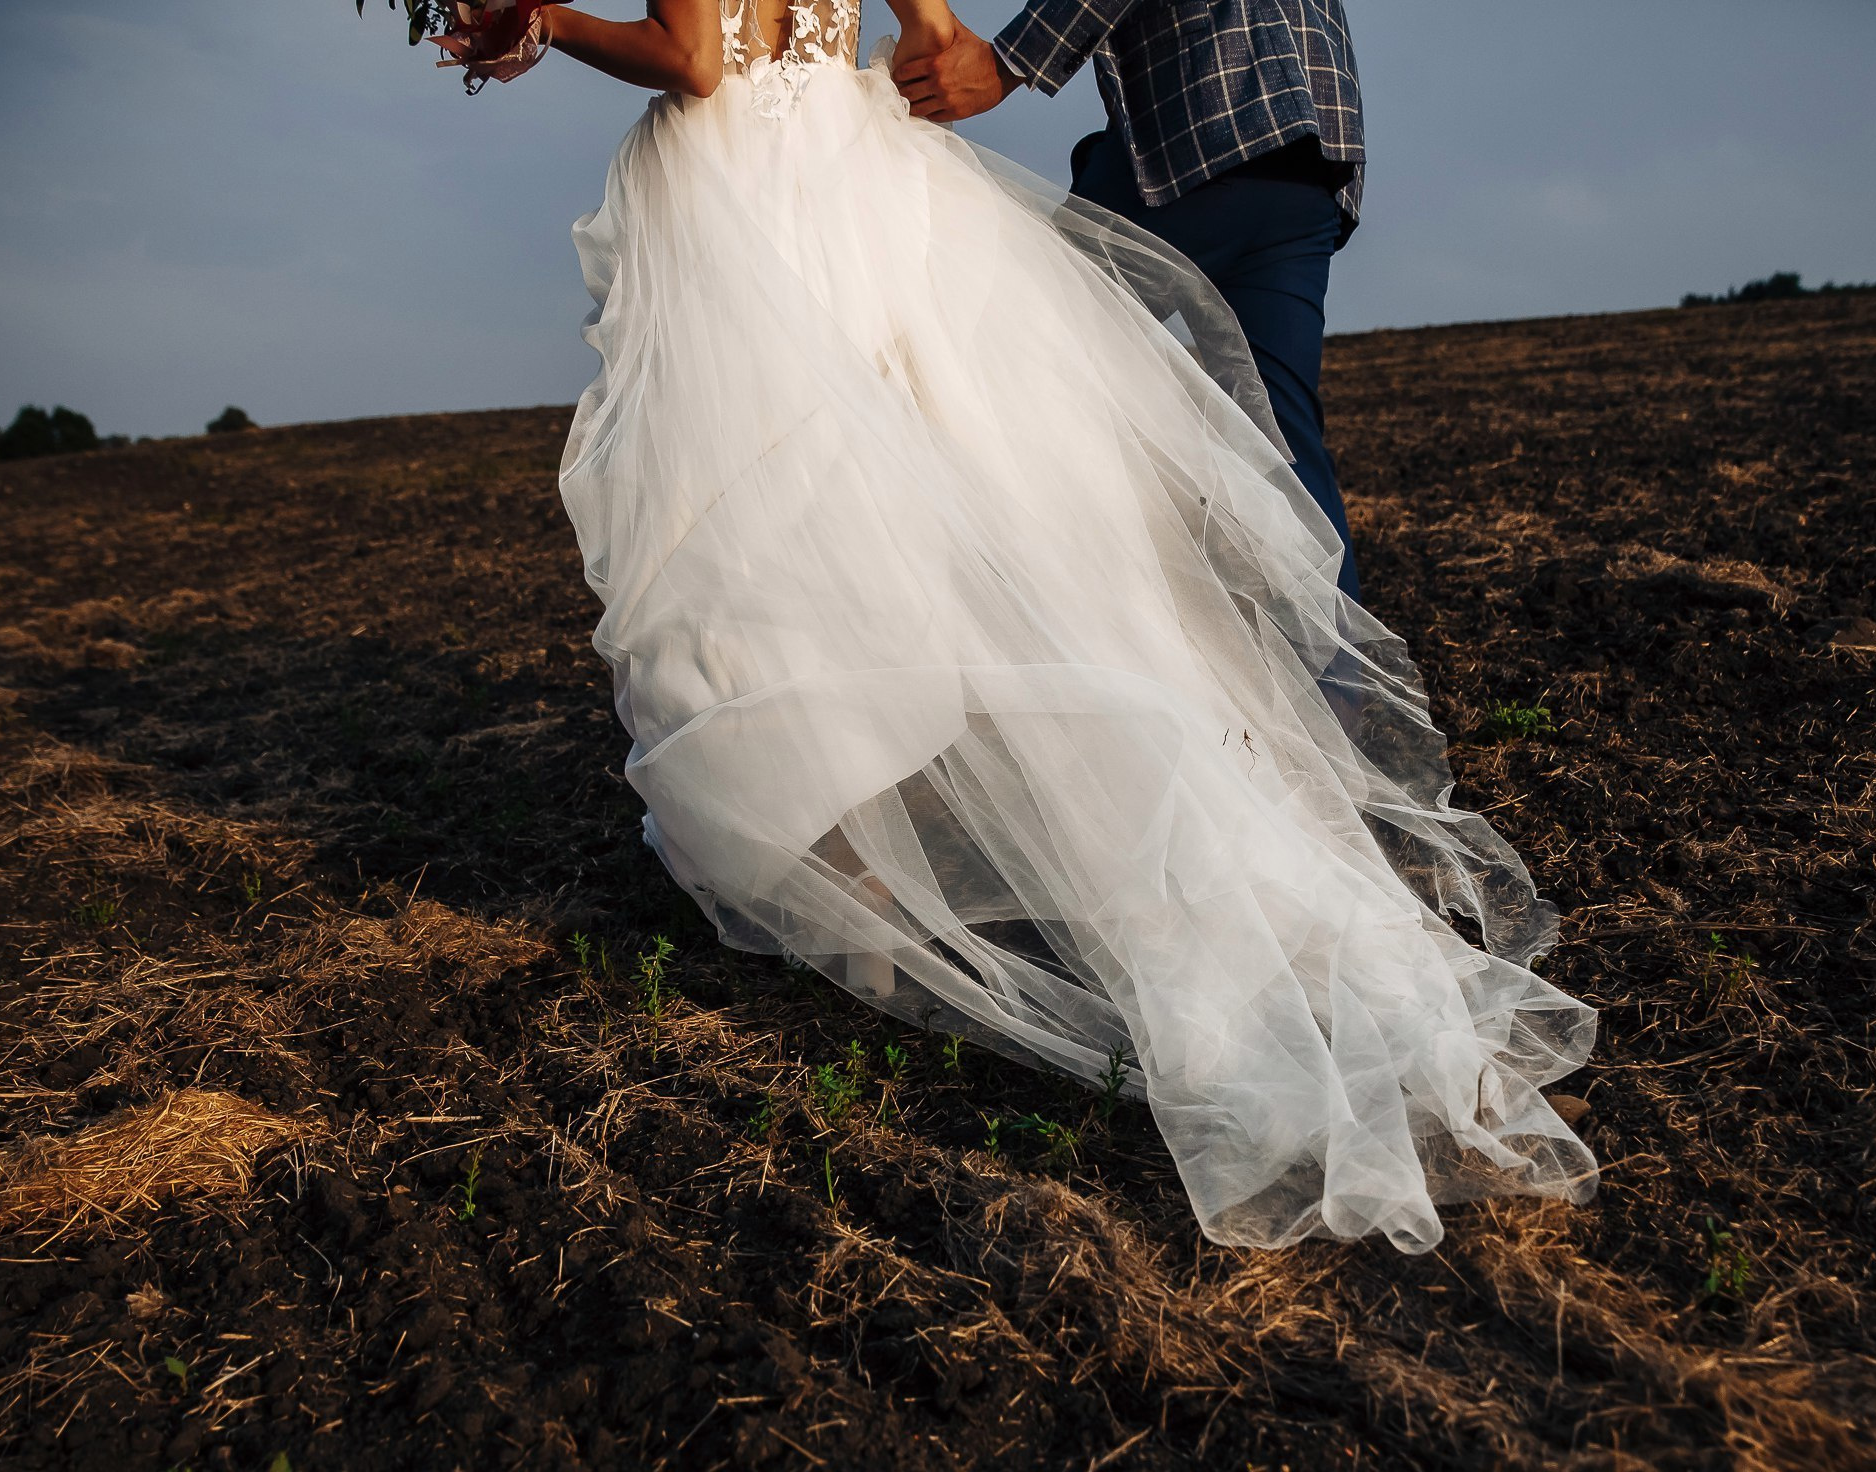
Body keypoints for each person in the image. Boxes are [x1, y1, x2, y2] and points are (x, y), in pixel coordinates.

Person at [436, 0, 1597, 1253]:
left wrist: (547, 21)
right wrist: (939, 48)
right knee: (963, 505)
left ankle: (861, 879)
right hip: (874, 162)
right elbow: (921, 23)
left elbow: (696, 58)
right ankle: (1168, 792)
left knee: (782, 530)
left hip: (752, 189)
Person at [892, 0, 1366, 600]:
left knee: (1013, 360)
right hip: (1310, 157)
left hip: (1207, 122)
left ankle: (989, 622)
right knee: (1284, 444)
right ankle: (1342, 686)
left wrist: (1004, 63)